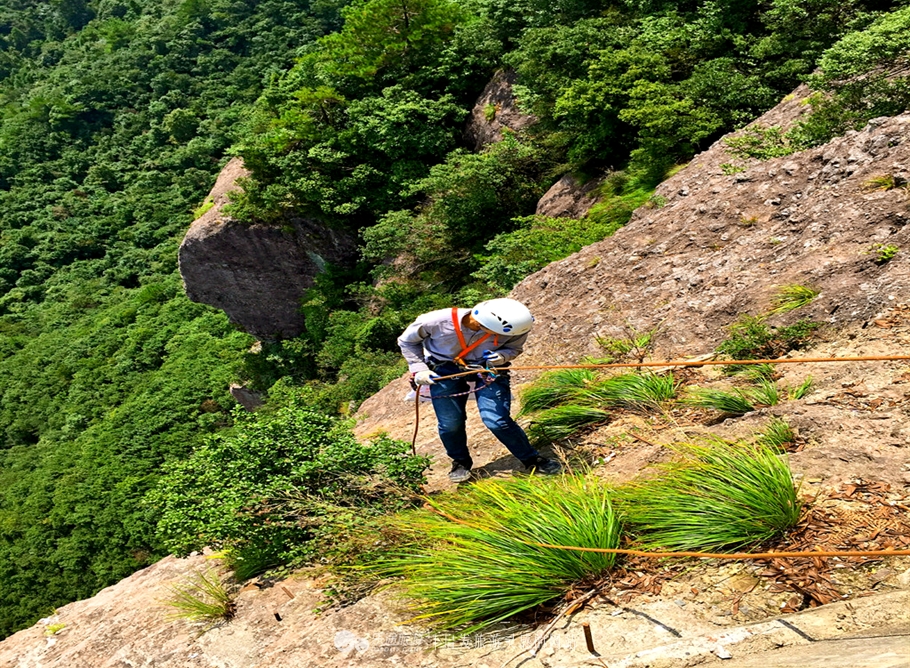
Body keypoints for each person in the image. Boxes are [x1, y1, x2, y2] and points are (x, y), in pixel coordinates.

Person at [397, 298, 562, 483]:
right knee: (450, 423)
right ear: (483, 324)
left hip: (487, 369)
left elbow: (514, 348)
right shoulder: (435, 321)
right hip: (444, 369)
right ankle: (460, 462)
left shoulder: (517, 326)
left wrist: (502, 356)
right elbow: (407, 342)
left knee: (496, 421)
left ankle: (532, 459)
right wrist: (419, 369)